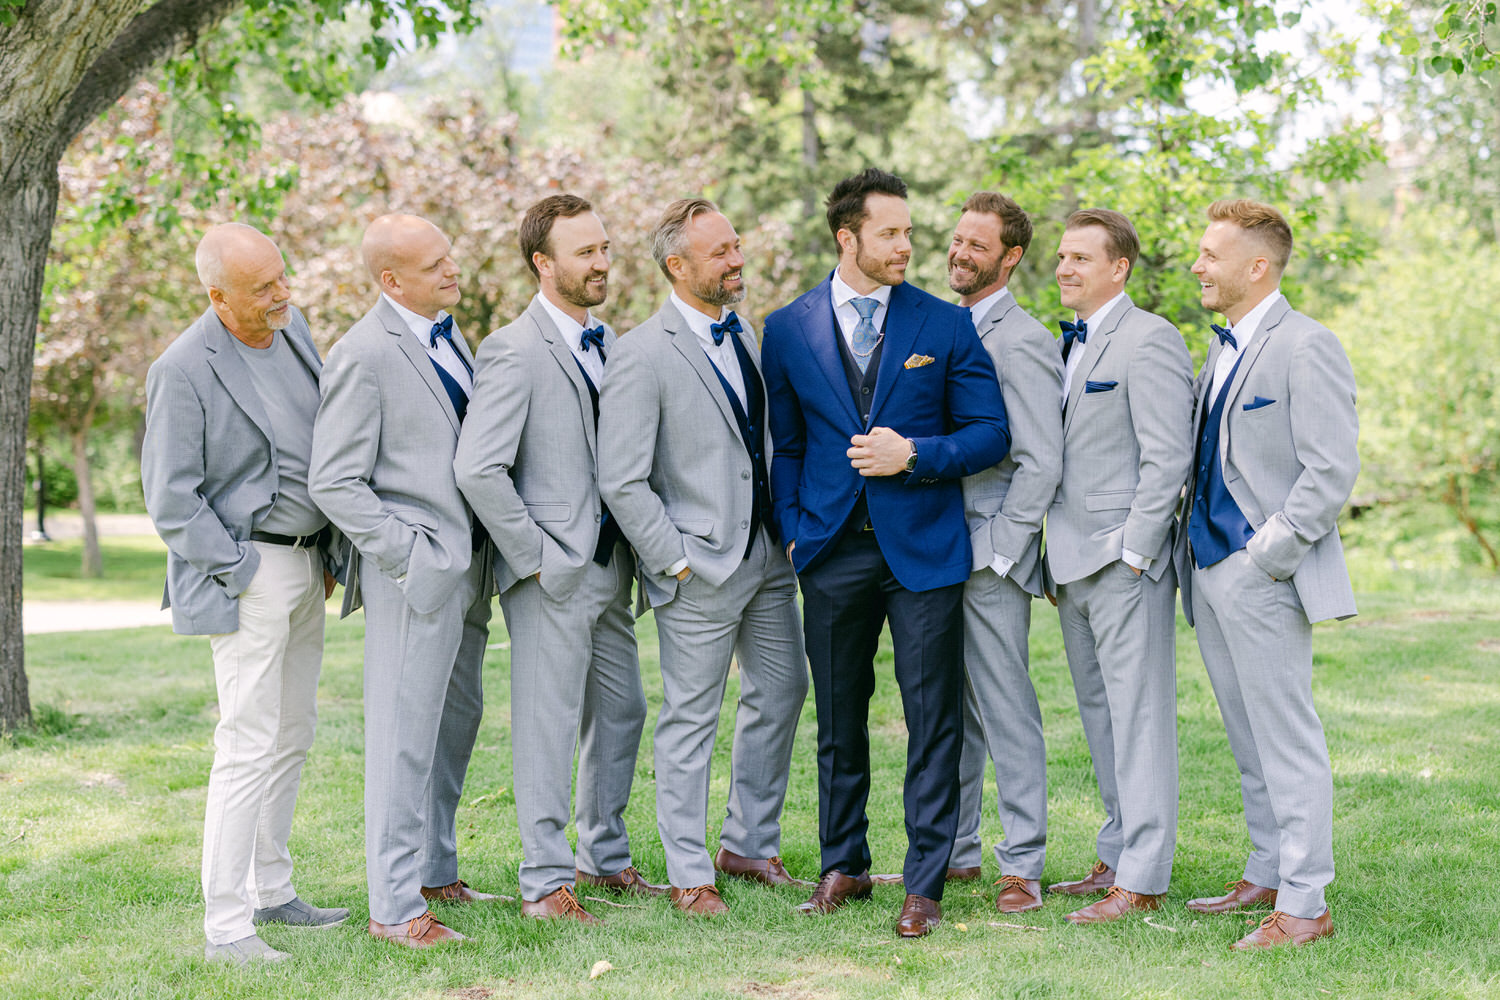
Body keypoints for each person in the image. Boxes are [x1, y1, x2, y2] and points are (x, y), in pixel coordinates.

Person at [761, 168, 1010, 938]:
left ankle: (926, 882)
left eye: (909, 231)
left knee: (933, 717)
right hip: (831, 551)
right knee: (838, 717)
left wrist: (916, 455)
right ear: (849, 238)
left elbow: (991, 433)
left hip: (925, 552)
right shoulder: (788, 328)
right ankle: (846, 865)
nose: (909, 245)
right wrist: (798, 529)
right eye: (892, 233)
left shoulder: (944, 325)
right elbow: (787, 445)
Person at [142, 222, 348, 966]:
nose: (282, 294)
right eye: (263, 289)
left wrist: (328, 551)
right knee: (246, 743)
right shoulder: (182, 368)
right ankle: (226, 928)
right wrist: (244, 570)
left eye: (282, 277)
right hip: (249, 575)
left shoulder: (293, 332)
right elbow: (171, 500)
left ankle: (274, 890)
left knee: (293, 734)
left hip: (309, 565)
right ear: (218, 296)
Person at [454, 194, 659, 924]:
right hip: (552, 571)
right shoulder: (513, 348)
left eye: (605, 247)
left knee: (625, 708)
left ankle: (601, 855)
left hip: (610, 566)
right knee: (546, 722)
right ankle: (544, 883)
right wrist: (536, 558)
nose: (602, 262)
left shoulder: (608, 340)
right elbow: (479, 468)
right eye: (585, 252)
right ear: (543, 264)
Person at [309, 213, 495, 948]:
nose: (454, 270)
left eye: (450, 256)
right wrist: (409, 556)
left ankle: (435, 868)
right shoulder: (363, 354)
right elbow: (335, 480)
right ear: (392, 280)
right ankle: (393, 908)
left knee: (455, 724)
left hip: (470, 570)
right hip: (415, 575)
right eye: (435, 264)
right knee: (402, 740)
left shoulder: (452, 338)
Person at [1176, 199, 1356, 949]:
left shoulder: (1307, 346)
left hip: (1261, 571)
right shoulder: (1220, 348)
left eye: (1211, 254)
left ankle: (1307, 904)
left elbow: (1331, 469)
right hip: (1208, 569)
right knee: (1246, 734)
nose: (1197, 266)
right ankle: (1266, 871)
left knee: (1286, 736)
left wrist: (1267, 554)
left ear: (1258, 266)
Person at [1043, 208, 1193, 924]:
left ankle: (1143, 878)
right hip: (1069, 562)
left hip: (1124, 564)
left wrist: (1136, 550)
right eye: (1062, 256)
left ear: (1119, 267)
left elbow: (1168, 454)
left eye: (1080, 257)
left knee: (1139, 719)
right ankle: (1115, 850)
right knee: (1100, 717)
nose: (1064, 267)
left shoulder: (1150, 340)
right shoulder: (1065, 345)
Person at [943, 193, 1063, 914]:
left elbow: (1042, 462)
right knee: (950, 710)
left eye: (977, 245)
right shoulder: (940, 324)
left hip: (991, 553)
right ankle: (955, 852)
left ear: (1010, 258)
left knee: (1005, 705)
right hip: (935, 548)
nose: (960, 252)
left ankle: (1022, 864)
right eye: (957, 239)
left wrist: (997, 548)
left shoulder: (1021, 340)